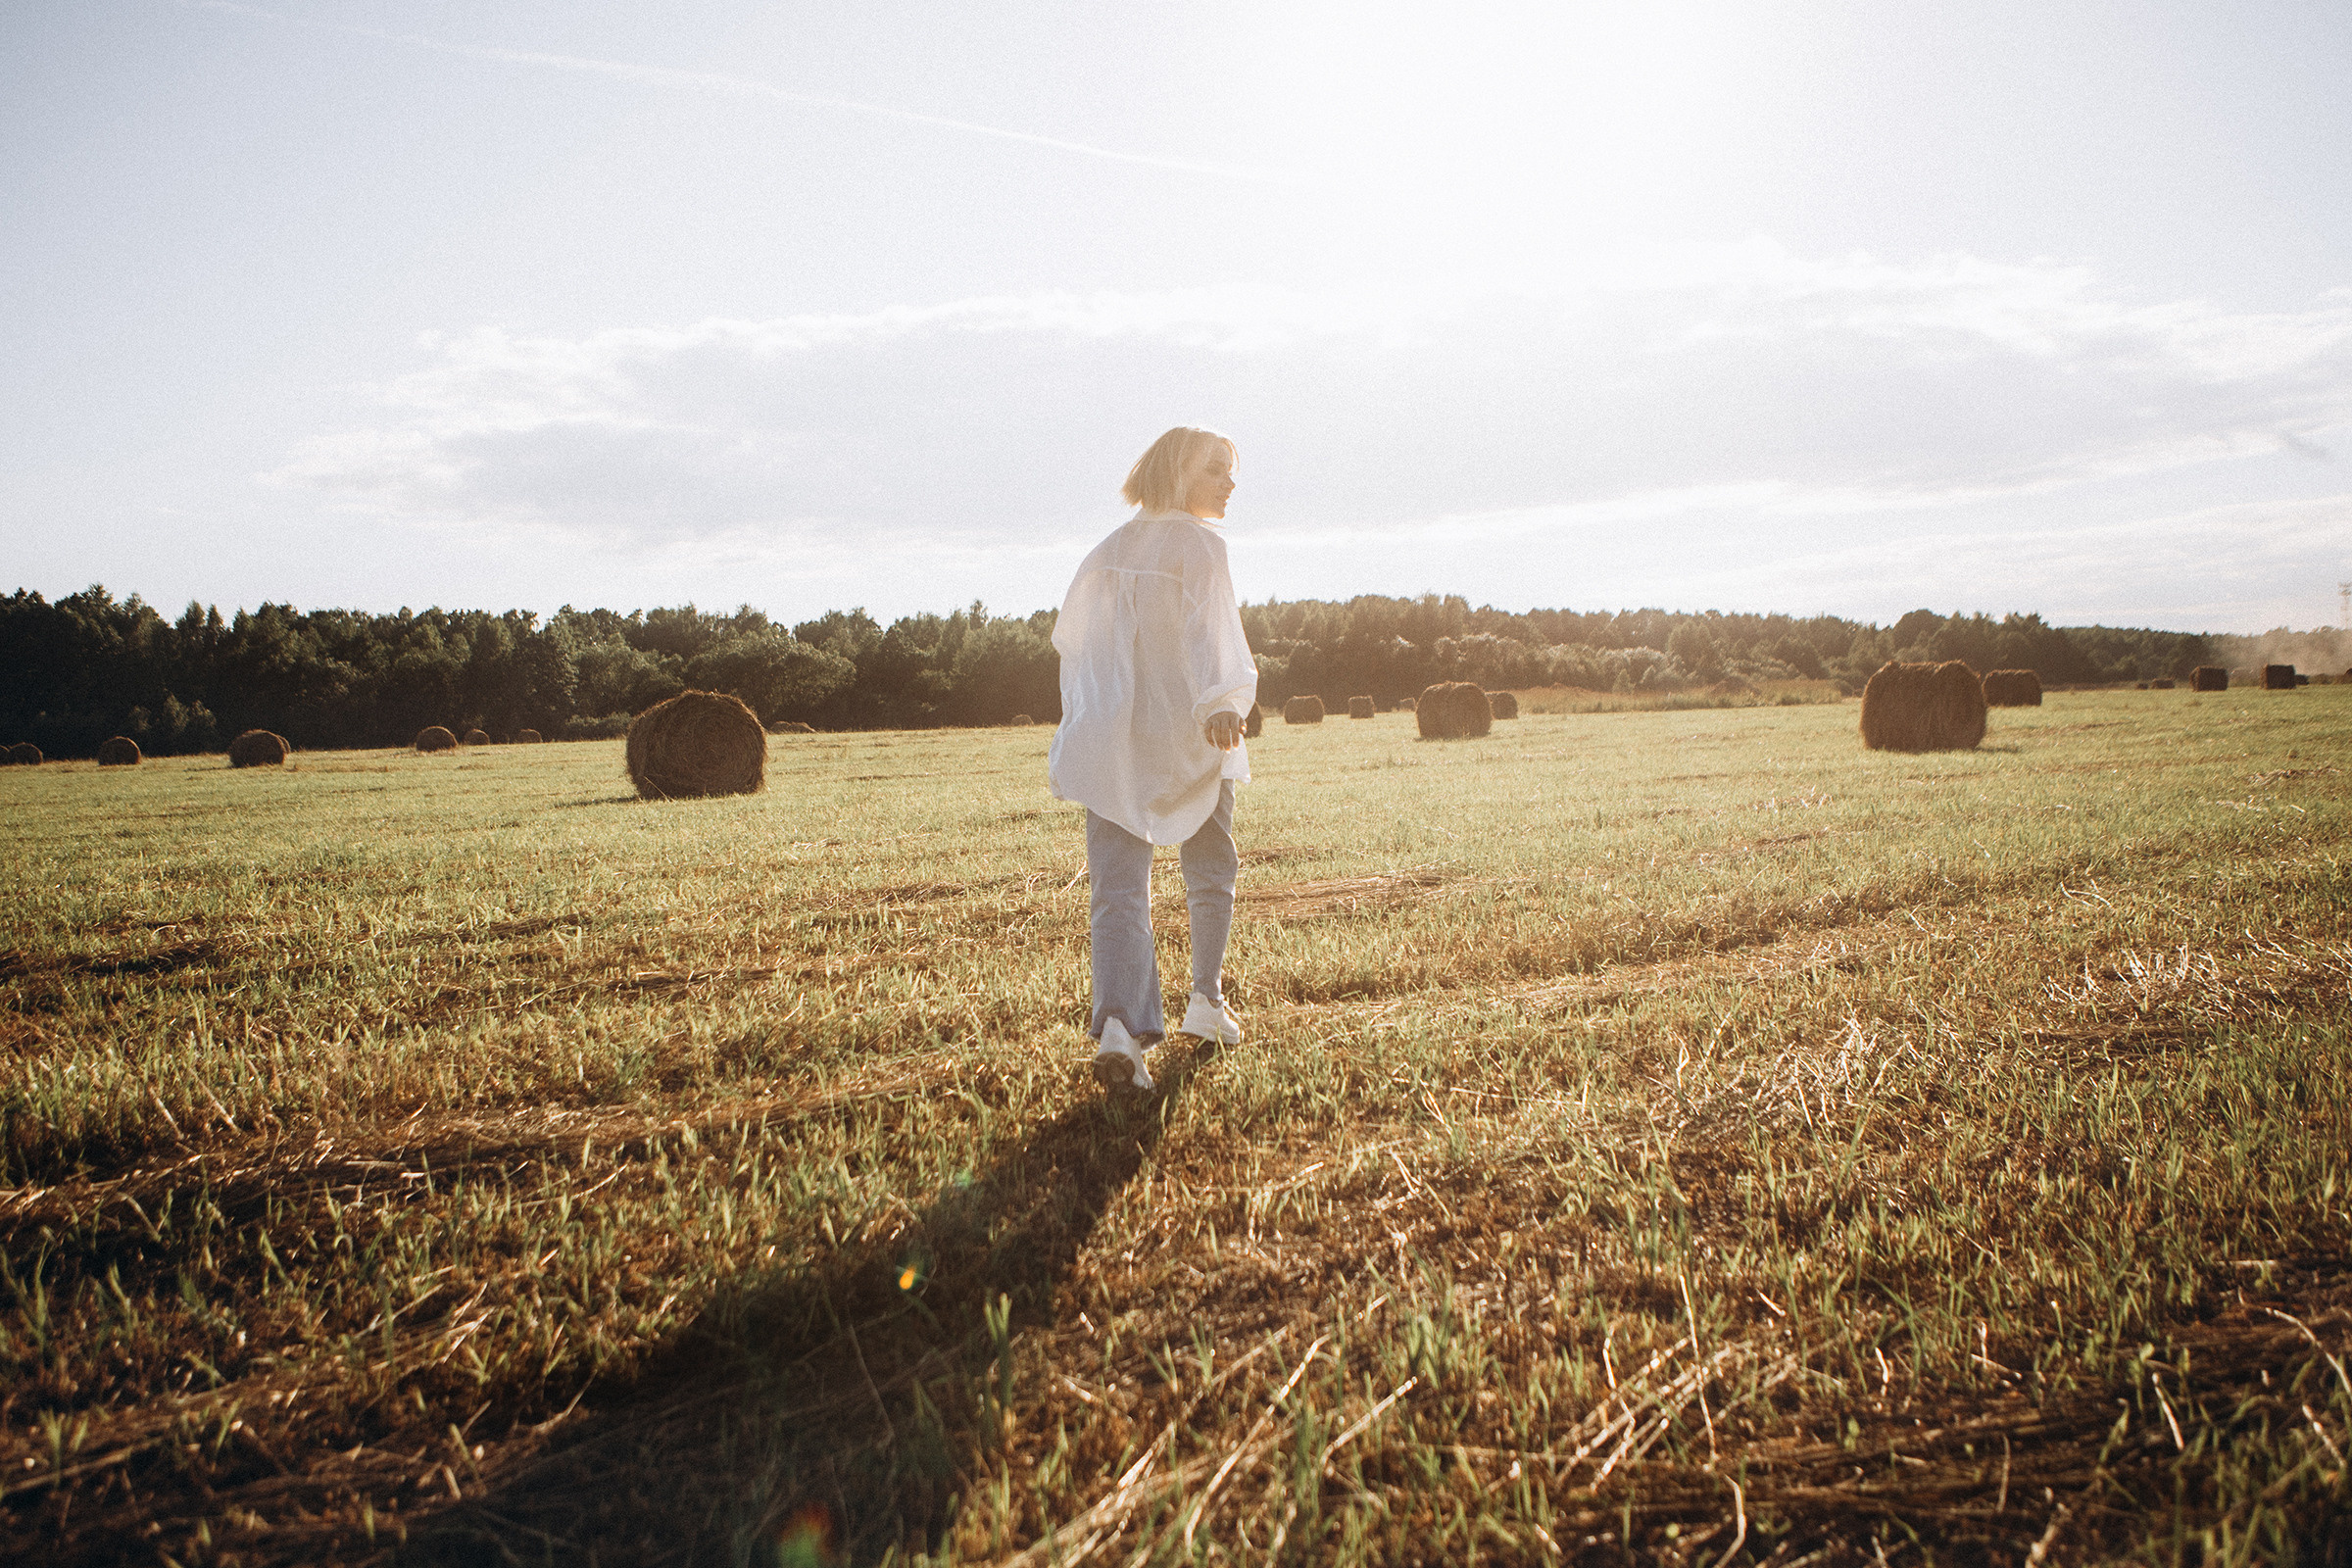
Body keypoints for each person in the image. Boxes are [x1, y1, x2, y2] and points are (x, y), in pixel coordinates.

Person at [1049, 426, 1256, 1096]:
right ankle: (1206, 1001)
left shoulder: (1104, 553)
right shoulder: (1200, 545)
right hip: (1193, 727)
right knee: (1210, 865)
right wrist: (1221, 699)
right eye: (1216, 471)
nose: (1230, 483)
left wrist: (1091, 721)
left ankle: (1118, 1027)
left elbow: (1075, 646)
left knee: (1117, 886)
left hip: (1112, 739)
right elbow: (1211, 627)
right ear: (1178, 474)